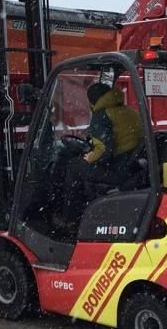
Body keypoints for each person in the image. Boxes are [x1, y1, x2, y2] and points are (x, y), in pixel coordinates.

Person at [60, 82, 143, 226]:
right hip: (132, 167)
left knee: (74, 167)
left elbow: (104, 149)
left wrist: (90, 156)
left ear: (92, 100)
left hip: (117, 170)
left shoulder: (102, 116)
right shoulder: (129, 111)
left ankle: (70, 218)